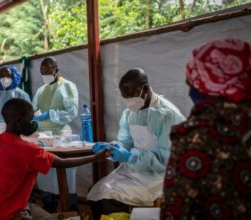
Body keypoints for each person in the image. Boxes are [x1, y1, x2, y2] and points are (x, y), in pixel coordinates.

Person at [161, 38, 251, 219]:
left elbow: (177, 210)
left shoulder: (196, 137)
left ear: (209, 85)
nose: (190, 92)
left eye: (191, 84)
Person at [0, 98, 111, 220]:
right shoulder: (28, 149)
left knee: (47, 217)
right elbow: (63, 163)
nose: (33, 123)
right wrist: (95, 157)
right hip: (12, 213)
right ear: (18, 121)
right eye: (30, 119)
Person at [87, 68, 185, 219]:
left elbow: (167, 160)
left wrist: (131, 157)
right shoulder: (130, 114)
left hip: (161, 177)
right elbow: (125, 143)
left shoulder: (166, 115)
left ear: (145, 89)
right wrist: (112, 148)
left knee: (109, 199)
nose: (128, 101)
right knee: (95, 193)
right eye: (124, 96)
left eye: (130, 95)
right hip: (134, 170)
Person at [32, 57, 79, 211]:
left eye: (47, 71)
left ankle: (70, 206)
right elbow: (33, 109)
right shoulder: (41, 90)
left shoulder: (66, 87)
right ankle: (48, 207)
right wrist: (34, 116)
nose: (45, 75)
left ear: (56, 69)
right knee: (46, 172)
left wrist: (50, 115)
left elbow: (72, 111)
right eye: (42, 72)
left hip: (61, 134)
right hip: (43, 136)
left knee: (65, 172)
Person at [0, 65, 30, 133]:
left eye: (8, 76)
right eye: (2, 76)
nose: (4, 78)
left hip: (18, 130)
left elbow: (28, 116)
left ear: (14, 77)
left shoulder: (22, 95)